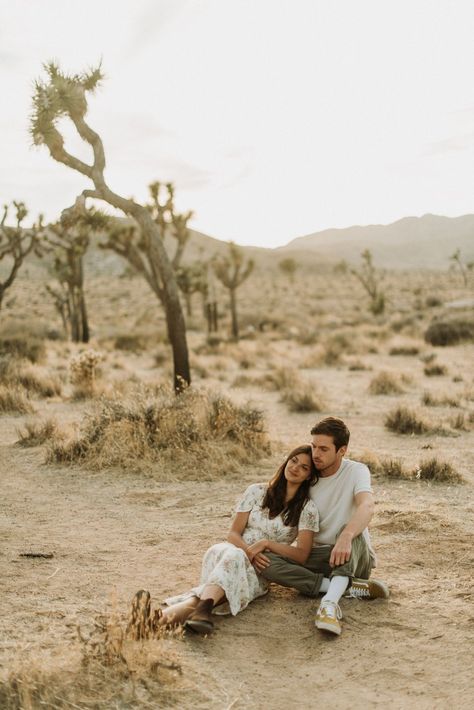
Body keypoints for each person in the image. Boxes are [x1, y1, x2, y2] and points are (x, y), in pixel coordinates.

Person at [129, 445, 320, 636]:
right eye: (294, 460)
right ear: (287, 460)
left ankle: (153, 622)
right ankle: (199, 612)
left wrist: (266, 544)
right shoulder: (256, 491)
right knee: (235, 555)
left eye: (304, 467)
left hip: (258, 571)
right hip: (226, 552)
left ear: (309, 476)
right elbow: (233, 534)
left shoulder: (307, 508)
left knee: (201, 597)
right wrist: (248, 551)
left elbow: (301, 555)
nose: (295, 468)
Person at [257, 417, 389, 636]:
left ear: (342, 451)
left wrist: (346, 536)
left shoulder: (356, 471)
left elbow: (366, 505)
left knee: (348, 529)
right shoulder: (308, 476)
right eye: (314, 446)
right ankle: (345, 587)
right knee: (265, 561)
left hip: (354, 554)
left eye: (324, 449)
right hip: (320, 558)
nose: (316, 454)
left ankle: (328, 605)